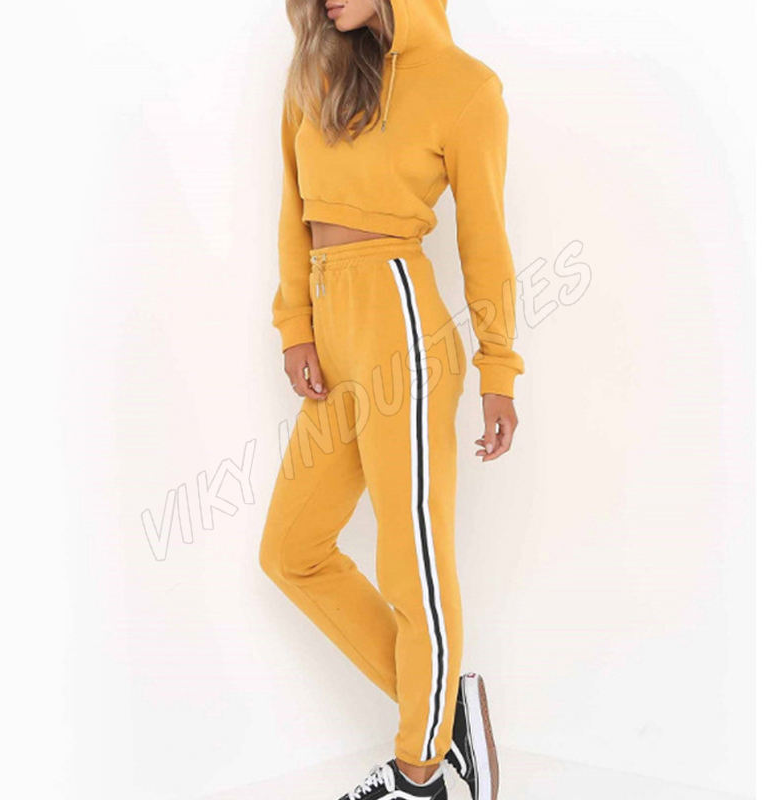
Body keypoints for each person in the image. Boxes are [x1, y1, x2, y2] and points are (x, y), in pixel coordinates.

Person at [259, 0, 524, 797]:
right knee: (292, 551)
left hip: (400, 322)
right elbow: (292, 207)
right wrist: (296, 326)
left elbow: (484, 238)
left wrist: (499, 368)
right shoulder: (317, 71)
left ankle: (421, 772)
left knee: (411, 560)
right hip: (330, 319)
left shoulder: (465, 87)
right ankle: (442, 715)